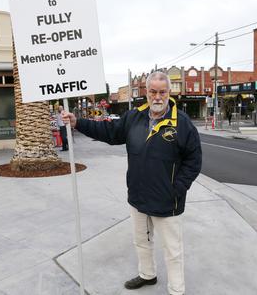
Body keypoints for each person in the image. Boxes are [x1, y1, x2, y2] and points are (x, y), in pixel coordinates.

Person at [62, 71, 201, 295]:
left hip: (168, 201)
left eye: (162, 92)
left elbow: (194, 162)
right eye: (153, 92)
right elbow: (108, 131)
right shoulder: (134, 116)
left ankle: (177, 290)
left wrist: (176, 188)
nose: (157, 97)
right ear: (146, 92)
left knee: (172, 250)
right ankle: (148, 275)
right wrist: (78, 122)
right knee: (141, 241)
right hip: (138, 196)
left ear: (169, 93)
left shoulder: (182, 124)